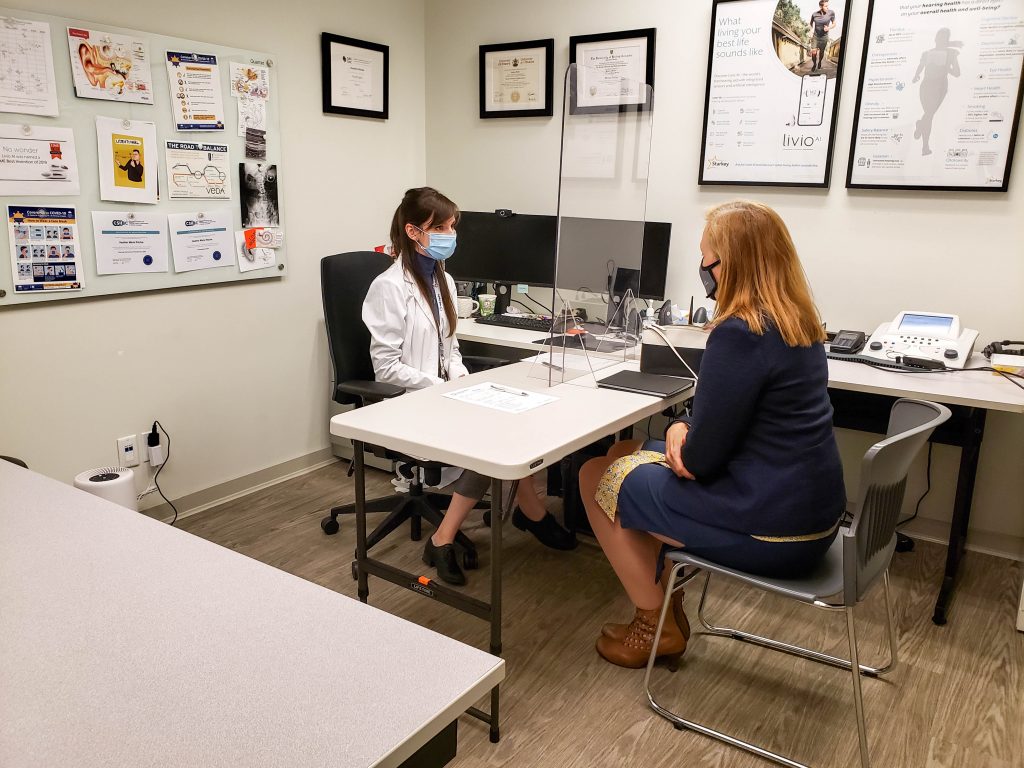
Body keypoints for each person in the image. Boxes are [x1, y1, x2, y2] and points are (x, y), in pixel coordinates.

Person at [579, 200, 846, 669]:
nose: (703, 269)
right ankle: (667, 602)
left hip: (772, 532)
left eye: (708, 259)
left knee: (593, 476)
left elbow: (699, 462)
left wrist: (684, 432)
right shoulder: (798, 320)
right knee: (623, 450)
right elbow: (728, 425)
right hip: (813, 517)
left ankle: (653, 624)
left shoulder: (741, 331)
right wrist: (686, 429)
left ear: (734, 263)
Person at [362, 187, 577, 586]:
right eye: (440, 227)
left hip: (445, 395)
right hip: (412, 402)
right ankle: (472, 530)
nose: (450, 234)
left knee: (516, 426)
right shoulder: (389, 287)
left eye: (452, 226)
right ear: (412, 231)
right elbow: (385, 368)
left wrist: (459, 376)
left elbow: (450, 345)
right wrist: (437, 384)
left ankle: (520, 515)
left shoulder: (442, 276)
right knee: (493, 442)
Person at [913, 28, 962, 156]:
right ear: (935, 38)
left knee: (929, 114)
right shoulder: (927, 53)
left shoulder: (951, 53)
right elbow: (920, 66)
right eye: (939, 37)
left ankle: (924, 141)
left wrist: (946, 68)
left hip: (939, 87)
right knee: (929, 114)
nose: (941, 40)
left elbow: (957, 73)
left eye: (945, 38)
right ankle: (922, 137)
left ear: (947, 40)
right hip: (925, 86)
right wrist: (916, 75)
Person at [809, 0, 835, 72]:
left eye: (828, 6)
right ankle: (814, 64)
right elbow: (811, 24)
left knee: (821, 52)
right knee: (814, 52)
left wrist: (828, 28)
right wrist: (811, 31)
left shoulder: (831, 13)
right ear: (821, 6)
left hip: (824, 37)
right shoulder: (814, 14)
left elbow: (834, 23)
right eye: (826, 6)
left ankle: (820, 61)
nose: (827, 7)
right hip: (816, 36)